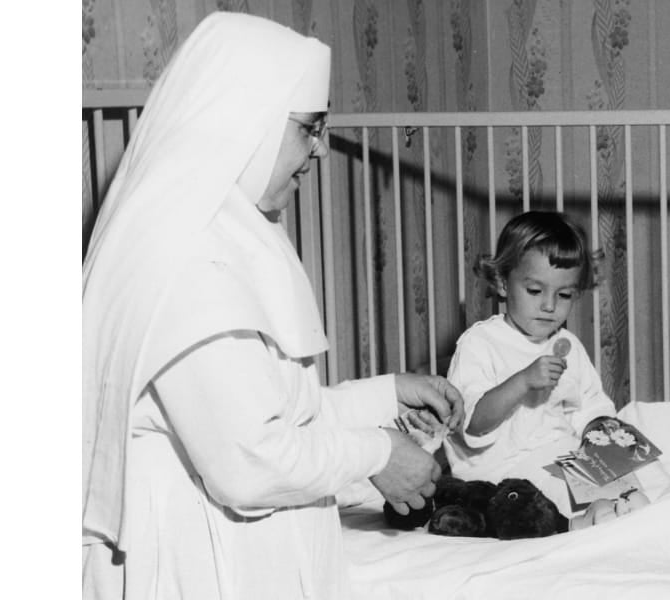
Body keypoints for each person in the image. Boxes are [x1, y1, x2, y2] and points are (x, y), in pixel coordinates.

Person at [82, 13, 463, 599]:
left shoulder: (224, 235)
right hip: (191, 559)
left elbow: (273, 414)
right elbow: (250, 461)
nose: (321, 152)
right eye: (309, 129)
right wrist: (378, 452)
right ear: (246, 122)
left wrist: (386, 393)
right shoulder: (187, 261)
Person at [443, 211, 645, 525]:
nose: (549, 306)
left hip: (557, 454)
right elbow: (472, 424)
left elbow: (591, 406)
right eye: (535, 291)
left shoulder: (567, 344)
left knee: (630, 484)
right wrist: (522, 382)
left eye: (564, 295)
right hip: (502, 469)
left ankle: (617, 509)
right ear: (502, 282)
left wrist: (602, 433)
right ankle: (583, 523)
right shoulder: (480, 343)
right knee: (556, 493)